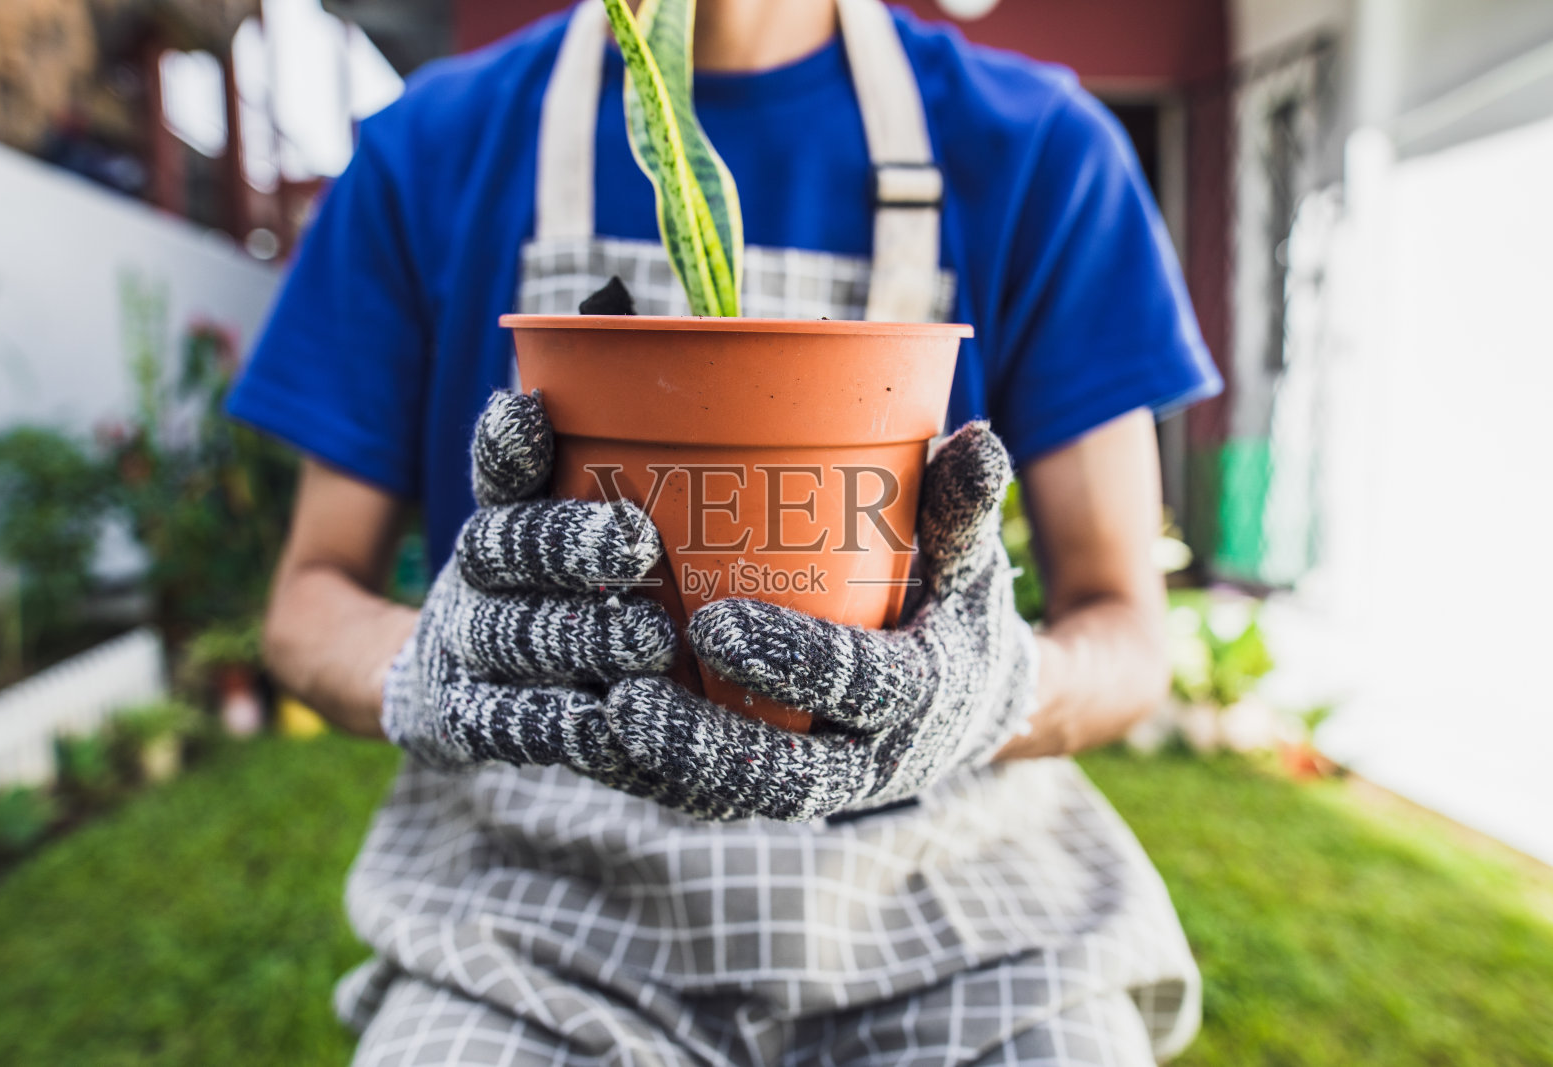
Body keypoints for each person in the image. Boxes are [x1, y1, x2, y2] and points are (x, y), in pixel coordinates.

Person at [228, 0, 1222, 1062]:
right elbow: (308, 595)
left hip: (960, 909)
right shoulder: (426, 150)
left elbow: (1125, 626)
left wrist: (987, 690)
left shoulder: (1041, 152)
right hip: (534, 917)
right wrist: (441, 667)